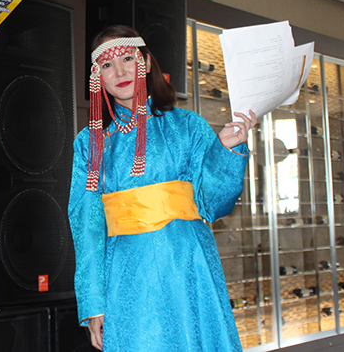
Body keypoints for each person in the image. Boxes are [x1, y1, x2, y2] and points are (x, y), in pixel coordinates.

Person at [68, 25, 256, 352]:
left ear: (145, 62)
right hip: (127, 275)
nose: (120, 71)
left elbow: (213, 204)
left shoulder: (188, 125)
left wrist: (226, 150)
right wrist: (93, 303)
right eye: (107, 65)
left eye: (128, 58)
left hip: (188, 264)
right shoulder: (89, 143)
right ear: (97, 76)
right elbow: (87, 224)